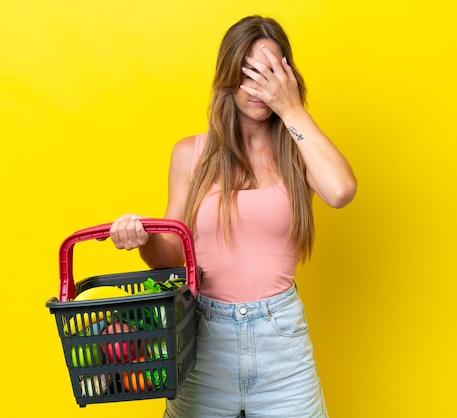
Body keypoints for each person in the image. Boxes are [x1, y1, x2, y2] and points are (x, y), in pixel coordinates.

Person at [110, 15, 356, 418]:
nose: (260, 86)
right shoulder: (190, 154)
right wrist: (143, 237)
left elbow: (341, 191)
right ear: (228, 76)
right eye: (249, 73)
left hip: (282, 343)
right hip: (202, 339)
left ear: (288, 77)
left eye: (272, 73)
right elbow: (168, 255)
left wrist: (291, 108)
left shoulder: (299, 152)